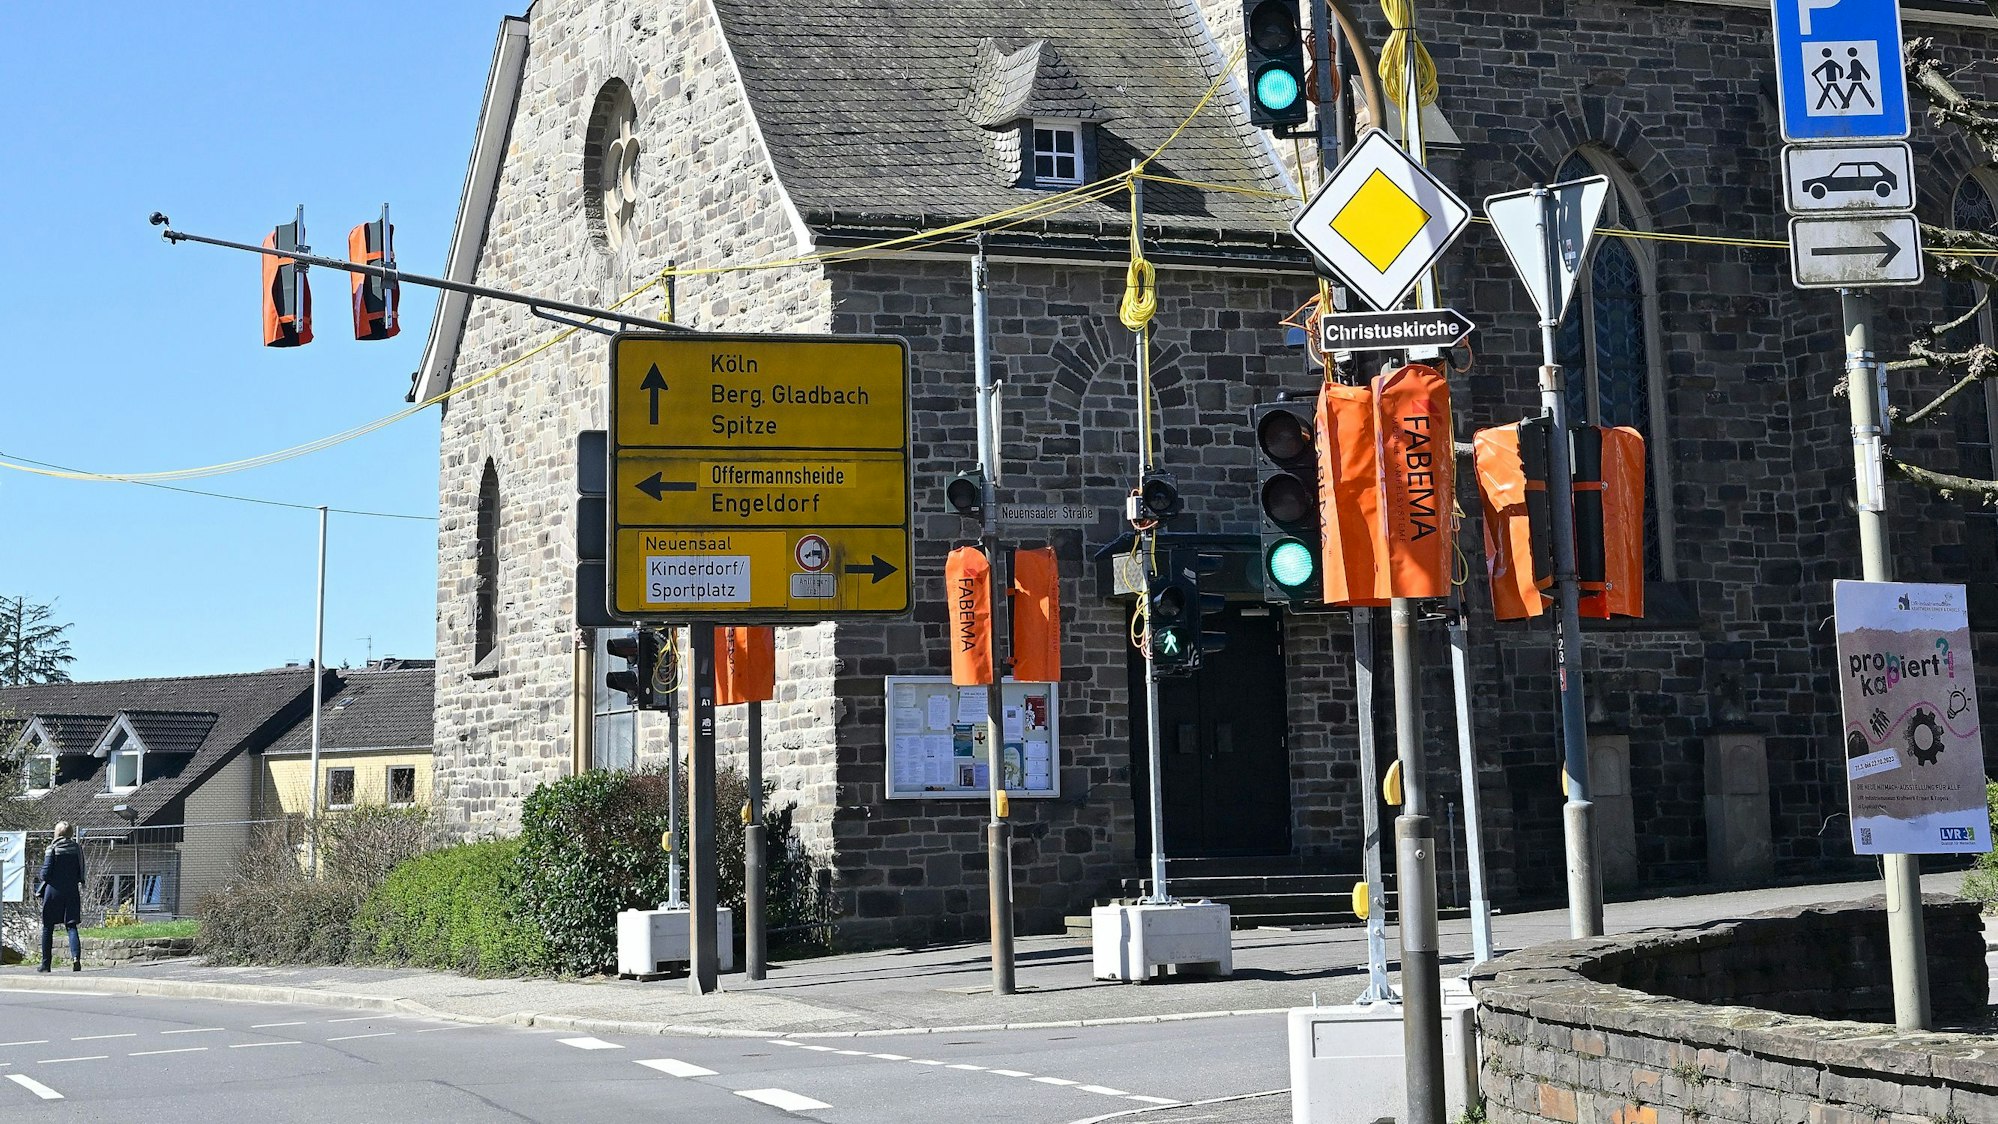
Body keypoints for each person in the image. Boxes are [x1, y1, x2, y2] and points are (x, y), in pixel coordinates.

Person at [37, 822, 86, 973]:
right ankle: (76, 958)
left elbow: (45, 873)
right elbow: (81, 869)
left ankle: (46, 964)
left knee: (48, 927)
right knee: (71, 926)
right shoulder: (76, 848)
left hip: (53, 892)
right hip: (71, 890)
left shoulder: (52, 848)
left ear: (57, 833)